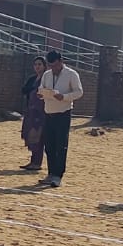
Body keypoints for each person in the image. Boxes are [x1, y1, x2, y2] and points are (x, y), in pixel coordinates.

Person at [35, 50, 84, 189]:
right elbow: (41, 88)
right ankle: (51, 173)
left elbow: (79, 92)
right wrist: (41, 94)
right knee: (49, 145)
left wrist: (64, 97)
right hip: (48, 112)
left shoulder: (71, 74)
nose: (54, 68)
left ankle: (58, 175)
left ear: (61, 61)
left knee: (61, 145)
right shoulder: (47, 74)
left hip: (63, 113)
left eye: (56, 65)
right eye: (51, 66)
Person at [19, 56, 47, 171]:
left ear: (44, 66)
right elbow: (24, 90)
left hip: (41, 112)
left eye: (39, 64)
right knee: (30, 135)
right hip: (30, 110)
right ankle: (33, 161)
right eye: (35, 65)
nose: (37, 67)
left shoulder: (47, 79)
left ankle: (37, 162)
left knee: (38, 136)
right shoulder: (32, 78)